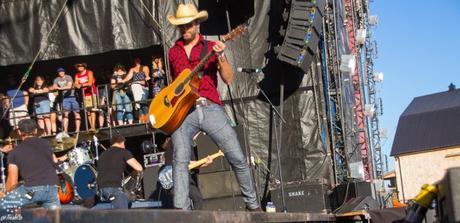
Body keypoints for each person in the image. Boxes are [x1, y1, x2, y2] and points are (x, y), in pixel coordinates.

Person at [166, 4, 260, 211]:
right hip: (184, 112)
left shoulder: (210, 48)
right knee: (180, 160)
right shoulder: (173, 52)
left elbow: (228, 78)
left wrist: (221, 57)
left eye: (188, 25)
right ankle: (181, 212)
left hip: (210, 107)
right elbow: (174, 84)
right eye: (181, 26)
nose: (184, 29)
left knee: (236, 155)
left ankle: (253, 206)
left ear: (197, 24)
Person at [0, 119, 63, 210]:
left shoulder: (15, 152)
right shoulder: (47, 144)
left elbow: (12, 181)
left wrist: (6, 195)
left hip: (31, 191)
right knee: (56, 218)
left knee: (3, 206)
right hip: (51, 189)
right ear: (35, 131)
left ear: (19, 132)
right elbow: (55, 161)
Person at [96, 134, 143, 209]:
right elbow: (139, 168)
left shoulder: (102, 155)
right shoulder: (123, 152)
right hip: (114, 189)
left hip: (101, 191)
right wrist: (133, 174)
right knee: (123, 216)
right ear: (122, 142)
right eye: (124, 144)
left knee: (131, 197)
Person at [53, 67, 81, 132]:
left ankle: (77, 129)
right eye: (60, 72)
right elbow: (54, 87)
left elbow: (69, 86)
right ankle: (65, 131)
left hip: (73, 96)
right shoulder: (56, 79)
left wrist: (59, 88)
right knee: (65, 114)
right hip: (65, 98)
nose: (61, 73)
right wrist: (56, 88)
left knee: (76, 113)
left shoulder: (68, 77)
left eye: (62, 71)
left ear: (64, 72)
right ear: (58, 73)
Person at [125, 58, 150, 123]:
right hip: (136, 89)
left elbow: (147, 75)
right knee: (139, 104)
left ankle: (147, 120)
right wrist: (122, 81)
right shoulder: (132, 69)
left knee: (143, 103)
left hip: (144, 88)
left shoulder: (144, 67)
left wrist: (146, 78)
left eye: (138, 59)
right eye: (136, 59)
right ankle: (142, 120)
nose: (137, 60)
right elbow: (128, 78)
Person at [74, 63, 97, 130]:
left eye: (81, 66)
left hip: (91, 92)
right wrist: (76, 85)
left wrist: (81, 85)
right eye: (78, 66)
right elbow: (75, 83)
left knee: (92, 110)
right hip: (84, 94)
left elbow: (90, 83)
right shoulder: (77, 75)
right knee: (88, 111)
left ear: (84, 67)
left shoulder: (89, 72)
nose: (80, 67)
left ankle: (93, 126)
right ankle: (91, 126)